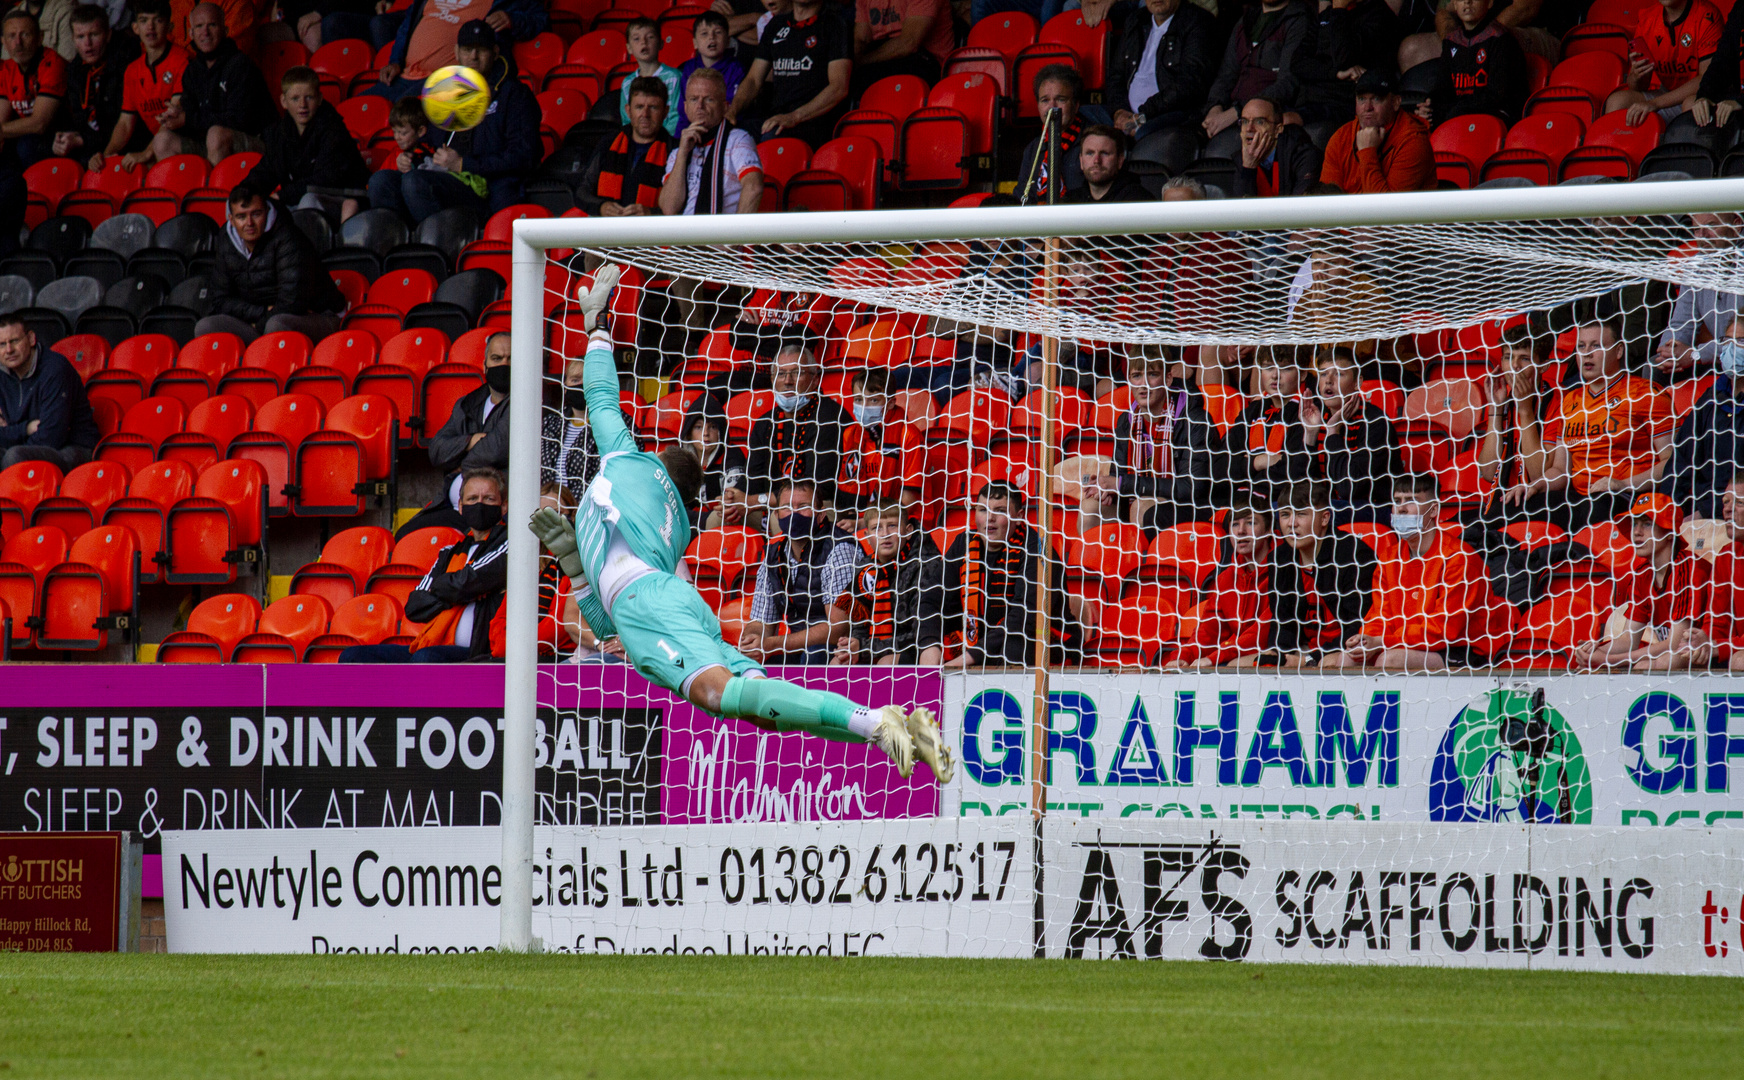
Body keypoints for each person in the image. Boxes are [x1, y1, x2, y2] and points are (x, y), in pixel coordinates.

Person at [527, 265, 950, 780]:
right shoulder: (655, 504)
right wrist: (573, 562)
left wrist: (596, 324)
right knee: (757, 706)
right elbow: (610, 631)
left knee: (719, 694)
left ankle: (875, 722)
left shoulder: (621, 459)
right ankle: (888, 729)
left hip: (644, 599)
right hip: (666, 603)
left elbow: (598, 396)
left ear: (660, 464)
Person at [371, 21, 539, 220]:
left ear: (495, 52)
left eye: (481, 50)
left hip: (487, 188)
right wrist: (411, 158)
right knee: (380, 181)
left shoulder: (514, 95)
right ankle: (401, 247)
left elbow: (524, 155)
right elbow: (430, 144)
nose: (473, 57)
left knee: (415, 182)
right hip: (445, 179)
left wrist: (463, 164)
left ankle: (435, 248)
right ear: (457, 52)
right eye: (468, 50)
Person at [1330, 473, 1497, 670]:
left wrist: (1383, 642)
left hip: (1461, 647)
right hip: (1403, 643)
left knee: (1389, 661)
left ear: (1434, 509)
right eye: (1397, 500)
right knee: (1346, 660)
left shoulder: (1458, 558)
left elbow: (1443, 630)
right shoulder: (1388, 558)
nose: (1401, 508)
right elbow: (1378, 616)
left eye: (1411, 501)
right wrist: (1367, 639)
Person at [342, 467, 509, 663]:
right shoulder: (450, 552)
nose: (480, 504)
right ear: (461, 507)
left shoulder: (509, 543)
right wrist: (459, 593)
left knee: (425, 658)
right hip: (433, 644)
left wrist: (443, 588)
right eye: (472, 499)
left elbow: (472, 579)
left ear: (504, 506)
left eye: (488, 499)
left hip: (478, 651)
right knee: (352, 656)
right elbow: (415, 605)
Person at [1543, 313, 1674, 533]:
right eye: (1582, 346)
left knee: (1594, 512)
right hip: (1576, 497)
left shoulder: (1646, 394)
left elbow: (1671, 462)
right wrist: (1533, 486)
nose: (1587, 354)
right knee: (1517, 506)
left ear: (1619, 351)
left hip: (1624, 495)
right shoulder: (1569, 400)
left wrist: (1623, 484)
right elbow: (1560, 469)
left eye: (1596, 346)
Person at [942, 480, 1090, 667]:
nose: (990, 518)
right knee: (917, 647)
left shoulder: (1039, 550)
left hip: (1040, 638)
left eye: (1000, 511)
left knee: (1014, 646)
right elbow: (935, 601)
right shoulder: (962, 545)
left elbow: (1026, 616)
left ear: (1019, 516)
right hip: (981, 641)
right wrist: (928, 647)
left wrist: (972, 656)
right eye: (982, 509)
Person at [1572, 493, 1713, 671]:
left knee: (1653, 664)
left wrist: (1609, 660)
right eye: (1635, 524)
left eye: (1647, 524)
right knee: (1633, 665)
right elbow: (1628, 640)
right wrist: (1594, 651)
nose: (1637, 532)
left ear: (1669, 533)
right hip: (1678, 655)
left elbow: (1675, 644)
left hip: (1708, 654)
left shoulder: (1689, 569)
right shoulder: (1642, 574)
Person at [194, 183, 347, 343]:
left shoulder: (288, 237)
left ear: (267, 211)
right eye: (241, 216)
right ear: (231, 219)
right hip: (261, 320)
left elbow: (292, 302)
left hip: (318, 316)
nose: (249, 223)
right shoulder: (226, 242)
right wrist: (259, 312)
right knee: (205, 326)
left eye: (256, 214)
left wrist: (258, 324)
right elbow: (220, 299)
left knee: (276, 325)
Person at [400, 329, 511, 536]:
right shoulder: (468, 403)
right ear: (485, 364)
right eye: (496, 358)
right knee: (406, 535)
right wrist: (469, 441)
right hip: (450, 505)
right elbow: (436, 450)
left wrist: (462, 464)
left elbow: (497, 449)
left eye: (510, 359)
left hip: (488, 511)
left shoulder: (522, 403)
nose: (503, 364)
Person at [1113, 344, 1231, 535]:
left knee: (1142, 507)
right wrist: (1105, 489)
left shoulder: (1194, 418)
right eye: (1136, 376)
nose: (1144, 384)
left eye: (1152, 374)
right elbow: (1117, 475)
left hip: (1198, 505)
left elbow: (1191, 488)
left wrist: (1121, 483)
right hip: (1152, 498)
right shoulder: (1126, 421)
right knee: (1091, 508)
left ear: (1168, 378)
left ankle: (1147, 563)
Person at [740, 476, 857, 663]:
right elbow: (760, 621)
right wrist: (754, 639)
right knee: (752, 660)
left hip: (837, 647)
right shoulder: (773, 554)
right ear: (777, 515)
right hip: (795, 645)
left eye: (803, 506)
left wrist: (774, 644)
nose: (794, 513)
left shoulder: (839, 549)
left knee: (814, 652)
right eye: (787, 507)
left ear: (820, 514)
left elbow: (838, 628)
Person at [141, 3, 271, 167]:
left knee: (216, 135)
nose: (205, 32)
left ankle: (214, 192)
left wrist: (187, 119)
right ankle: (186, 191)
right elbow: (191, 119)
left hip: (255, 144)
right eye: (199, 26)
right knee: (162, 140)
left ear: (225, 30)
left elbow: (239, 121)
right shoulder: (192, 71)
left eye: (212, 25)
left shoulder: (241, 65)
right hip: (210, 144)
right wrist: (175, 118)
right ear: (191, 33)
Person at [1267, 480, 1379, 668]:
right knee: (1251, 662)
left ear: (1325, 519)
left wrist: (1311, 658)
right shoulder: (1279, 559)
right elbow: (1282, 624)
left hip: (1347, 651)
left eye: (1301, 514)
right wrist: (1279, 655)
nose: (1291, 524)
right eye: (1285, 515)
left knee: (1329, 663)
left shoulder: (1353, 554)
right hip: (1302, 651)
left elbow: (1358, 625)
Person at [244, 65, 370, 221]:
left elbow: (325, 179)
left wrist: (283, 195)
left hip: (340, 200)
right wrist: (245, 193)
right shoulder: (279, 133)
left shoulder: (334, 130)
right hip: (297, 201)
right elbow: (267, 170)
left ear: (319, 98)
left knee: (308, 200)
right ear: (284, 101)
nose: (302, 105)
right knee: (251, 206)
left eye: (309, 97)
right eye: (295, 99)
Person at [1163, 500, 1276, 669]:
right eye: (1235, 524)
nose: (1241, 531)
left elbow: (1262, 634)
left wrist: (1215, 657)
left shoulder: (1284, 571)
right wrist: (1183, 656)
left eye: (1251, 523)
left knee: (1233, 664)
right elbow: (1207, 632)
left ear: (1268, 530)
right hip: (1242, 656)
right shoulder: (1226, 579)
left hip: (1280, 656)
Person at [832, 498, 945, 665]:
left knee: (885, 664)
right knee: (837, 663)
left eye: (892, 525)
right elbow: (859, 627)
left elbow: (922, 631)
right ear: (867, 536)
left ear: (908, 531)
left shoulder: (926, 564)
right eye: (877, 528)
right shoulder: (865, 568)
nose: (885, 534)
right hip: (875, 648)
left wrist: (863, 647)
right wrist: (851, 646)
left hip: (921, 648)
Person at [727, 0, 851, 147]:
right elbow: (753, 80)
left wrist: (794, 117)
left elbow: (839, 87)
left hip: (813, 122)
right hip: (777, 119)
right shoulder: (775, 25)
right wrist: (731, 112)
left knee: (771, 136)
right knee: (728, 134)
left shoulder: (835, 24)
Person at [371, 0, 548, 103]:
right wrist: (395, 61)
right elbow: (406, 29)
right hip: (404, 76)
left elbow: (541, 19)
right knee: (354, 110)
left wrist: (512, 20)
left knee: (404, 107)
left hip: (447, 80)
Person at [745, 343, 849, 512]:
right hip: (771, 506)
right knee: (720, 517)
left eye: (797, 373)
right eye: (781, 374)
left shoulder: (830, 418)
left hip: (818, 507)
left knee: (785, 518)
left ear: (815, 379)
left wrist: (758, 500)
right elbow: (752, 481)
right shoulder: (765, 423)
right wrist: (734, 499)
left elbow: (819, 488)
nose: (787, 381)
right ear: (772, 380)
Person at [90, 0, 187, 170]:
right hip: (157, 144)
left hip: (182, 142)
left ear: (170, 27)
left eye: (157, 20)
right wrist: (105, 155)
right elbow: (125, 123)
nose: (150, 27)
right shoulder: (132, 70)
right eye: (143, 21)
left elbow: (171, 117)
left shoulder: (183, 60)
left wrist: (147, 152)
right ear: (135, 28)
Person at [1305, 346, 1397, 522]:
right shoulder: (1316, 417)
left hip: (1373, 510)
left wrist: (1333, 432)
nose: (1329, 381)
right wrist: (1310, 435)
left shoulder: (1375, 422)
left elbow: (1350, 488)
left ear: (1357, 382)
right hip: (1327, 508)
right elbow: (1299, 484)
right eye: (1323, 374)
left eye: (1339, 374)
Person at [1106, 0, 1220, 142]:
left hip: (1168, 113)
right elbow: (1116, 75)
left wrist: (1143, 115)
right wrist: (1119, 112)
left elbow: (1190, 84)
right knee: (1085, 116)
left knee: (1142, 136)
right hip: (1129, 113)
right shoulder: (1136, 20)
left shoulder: (1198, 21)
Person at [1666, 318, 1744, 520]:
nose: (1733, 349)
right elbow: (1680, 462)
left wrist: (1706, 512)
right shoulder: (1711, 398)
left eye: (1741, 341)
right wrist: (1667, 513)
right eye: (1727, 341)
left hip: (1731, 513)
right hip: (1698, 512)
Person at [1201, 0, 1312, 139]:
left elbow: (1288, 83)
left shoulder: (1299, 20)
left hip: (1268, 115)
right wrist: (1215, 108)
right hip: (1231, 112)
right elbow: (1226, 75)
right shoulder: (1246, 20)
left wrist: (1238, 112)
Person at [0, 311, 98, 469]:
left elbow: (51, 437)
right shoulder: (2, 374)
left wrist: (10, 434)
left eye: (15, 341)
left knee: (14, 457)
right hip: (26, 443)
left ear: (31, 338)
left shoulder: (54, 370)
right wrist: (25, 429)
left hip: (73, 448)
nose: (9, 350)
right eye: (2, 344)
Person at [660, 67, 763, 216]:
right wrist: (683, 153)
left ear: (725, 107)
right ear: (686, 107)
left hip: (723, 235)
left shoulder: (738, 140)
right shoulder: (678, 152)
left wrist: (739, 236)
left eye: (709, 99)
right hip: (684, 236)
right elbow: (669, 209)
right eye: (694, 99)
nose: (700, 106)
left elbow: (754, 187)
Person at [1654, 212, 1744, 378]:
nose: (1703, 236)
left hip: (1739, 355)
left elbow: (1741, 341)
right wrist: (1670, 350)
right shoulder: (1695, 267)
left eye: (1711, 226)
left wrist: (1697, 354)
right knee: (1657, 369)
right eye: (1697, 229)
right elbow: (1681, 322)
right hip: (1717, 357)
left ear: (1736, 225)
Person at [1317, 69, 1434, 193]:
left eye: (1376, 99)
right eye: (1361, 99)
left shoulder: (1413, 142)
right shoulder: (1340, 138)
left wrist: (1367, 152)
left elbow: (1385, 209)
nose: (1367, 107)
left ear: (1395, 102)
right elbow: (1328, 201)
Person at [1607, 0, 1722, 125]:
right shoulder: (1647, 18)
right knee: (1617, 101)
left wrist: (1655, 103)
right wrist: (1636, 76)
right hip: (1666, 94)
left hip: (1702, 96)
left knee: (1691, 105)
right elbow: (1638, 87)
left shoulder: (1707, 15)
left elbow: (1707, 79)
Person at [1292, 0, 1403, 128]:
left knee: (1289, 121)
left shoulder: (1380, 17)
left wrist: (1339, 10)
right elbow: (1297, 63)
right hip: (1310, 98)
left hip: (1343, 103)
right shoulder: (1326, 16)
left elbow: (1344, 59)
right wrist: (1336, 73)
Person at [51, 5, 139, 165]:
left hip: (124, 145)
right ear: (72, 39)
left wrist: (80, 140)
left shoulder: (126, 62)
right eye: (80, 36)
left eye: (94, 34)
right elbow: (77, 119)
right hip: (91, 144)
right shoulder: (74, 69)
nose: (88, 43)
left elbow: (122, 124)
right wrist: (64, 138)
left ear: (108, 35)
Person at [577, 75, 675, 217]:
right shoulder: (609, 142)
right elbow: (581, 191)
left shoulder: (674, 150)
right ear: (628, 111)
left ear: (665, 112)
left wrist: (651, 213)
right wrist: (601, 207)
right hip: (607, 233)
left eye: (653, 107)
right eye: (639, 107)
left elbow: (682, 206)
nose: (645, 114)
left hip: (654, 235)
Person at [1420, 0, 1528, 127]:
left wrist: (1456, 110)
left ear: (1489, 3)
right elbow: (1443, 88)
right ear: (1455, 5)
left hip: (1494, 119)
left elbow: (1497, 97)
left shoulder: (1501, 39)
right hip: (1460, 116)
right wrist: (1430, 107)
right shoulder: (1452, 41)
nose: (1467, 2)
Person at [1015, 65, 1100, 203]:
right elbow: (1022, 198)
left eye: (1061, 99)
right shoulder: (1033, 149)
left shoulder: (1095, 142)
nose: (1052, 107)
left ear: (1076, 105)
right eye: (1045, 100)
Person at [1241, 344, 1314, 495]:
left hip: (1284, 501)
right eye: (1268, 367)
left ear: (1303, 374)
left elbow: (1293, 472)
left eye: (1285, 368)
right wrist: (1259, 462)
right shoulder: (1251, 411)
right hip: (1246, 499)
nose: (1275, 375)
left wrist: (1247, 465)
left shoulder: (1309, 412)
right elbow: (1221, 465)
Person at [0, 10, 67, 167]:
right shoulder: (6, 70)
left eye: (25, 35)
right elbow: (1, 121)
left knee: (26, 146)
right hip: (26, 135)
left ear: (40, 38)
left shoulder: (53, 63)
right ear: (3, 42)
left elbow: (40, 123)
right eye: (11, 36)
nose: (18, 43)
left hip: (59, 137)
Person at [540, 352, 603, 505]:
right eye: (575, 380)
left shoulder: (616, 424)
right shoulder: (550, 424)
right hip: (548, 509)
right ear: (566, 386)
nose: (581, 385)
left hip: (588, 510)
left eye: (588, 379)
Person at [851, 0, 951, 94]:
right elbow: (861, 39)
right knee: (846, 79)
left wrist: (863, 61)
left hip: (924, 62)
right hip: (880, 61)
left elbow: (909, 43)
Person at [1232, 94, 1320, 196]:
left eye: (1259, 122)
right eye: (1245, 121)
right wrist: (1248, 168)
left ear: (1278, 129)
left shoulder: (1303, 156)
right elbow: (1241, 209)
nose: (1249, 128)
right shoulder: (1243, 159)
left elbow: (1300, 208)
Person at [680, 405, 747, 531]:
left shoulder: (732, 456)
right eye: (698, 427)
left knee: (719, 517)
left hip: (720, 522)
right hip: (691, 522)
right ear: (689, 434)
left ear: (720, 432)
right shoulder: (681, 460)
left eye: (712, 427)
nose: (706, 434)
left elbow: (730, 505)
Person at [618, 18, 680, 136]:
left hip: (666, 141)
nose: (643, 42)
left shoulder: (674, 77)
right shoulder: (627, 82)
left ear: (660, 44)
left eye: (650, 37)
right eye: (637, 39)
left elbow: (675, 117)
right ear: (629, 48)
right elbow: (627, 120)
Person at [1062, 124, 1151, 203]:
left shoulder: (1138, 201)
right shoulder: (1070, 202)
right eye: (1090, 153)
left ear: (1120, 160)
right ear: (1081, 160)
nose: (1096, 160)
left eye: (1105, 153)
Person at [677, 10, 745, 106]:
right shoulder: (689, 67)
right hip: (694, 119)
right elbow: (684, 105)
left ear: (728, 41)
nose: (711, 37)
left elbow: (731, 105)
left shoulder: (736, 69)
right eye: (704, 33)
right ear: (695, 43)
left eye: (718, 32)